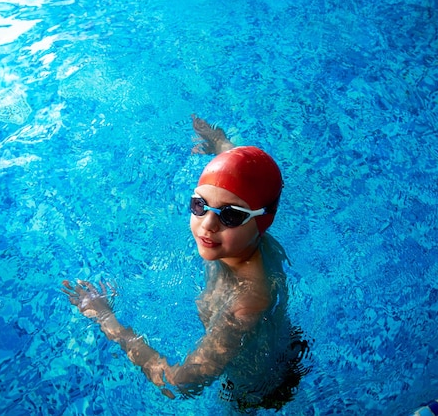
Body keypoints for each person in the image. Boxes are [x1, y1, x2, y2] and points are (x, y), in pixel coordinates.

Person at [62, 114, 309, 411]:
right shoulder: (243, 242)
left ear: (262, 221)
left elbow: (178, 382)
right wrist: (220, 143)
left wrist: (107, 320)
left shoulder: (246, 302)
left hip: (257, 386)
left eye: (230, 215)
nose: (207, 225)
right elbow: (248, 177)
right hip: (278, 343)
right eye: (199, 205)